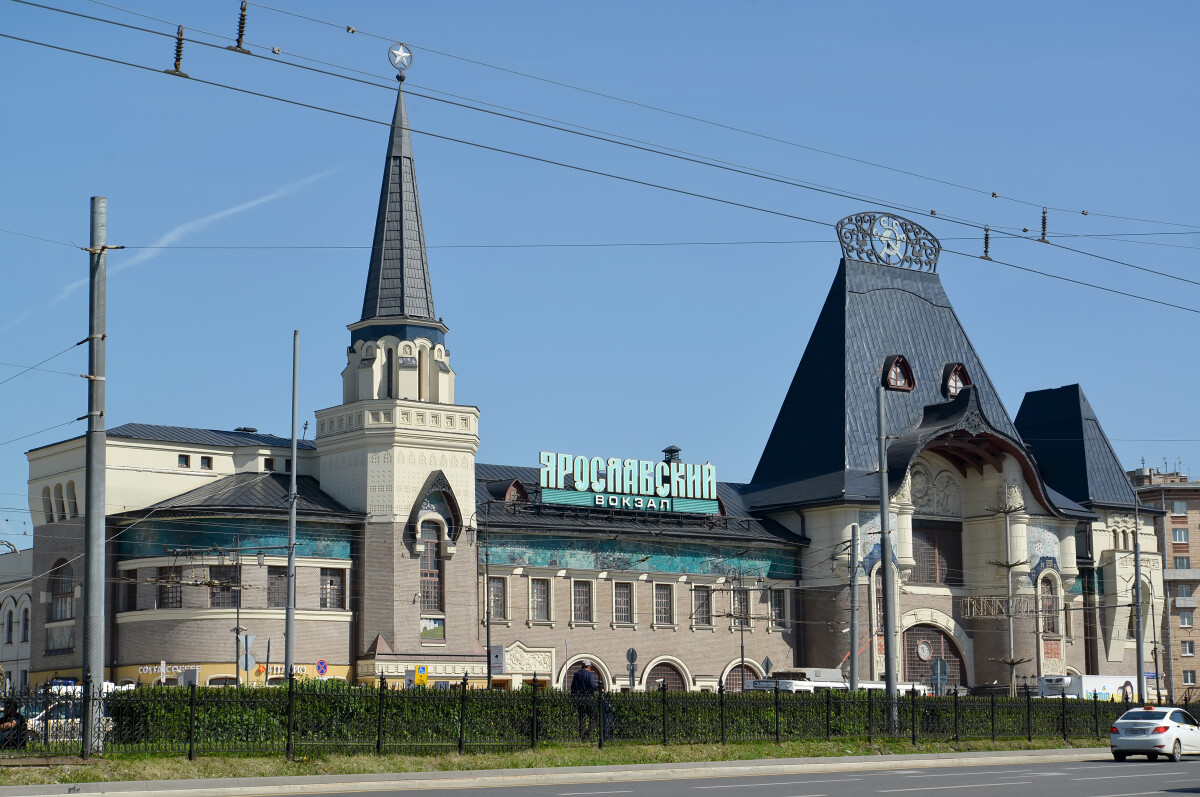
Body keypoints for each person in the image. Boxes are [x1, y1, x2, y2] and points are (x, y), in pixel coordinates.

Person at [570, 660, 598, 741]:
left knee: (582, 718)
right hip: (588, 699)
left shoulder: (576, 675)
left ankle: (582, 737)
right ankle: (587, 735)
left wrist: (574, 699)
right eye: (590, 667)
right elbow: (592, 685)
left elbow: (572, 688)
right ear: (588, 667)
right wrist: (600, 689)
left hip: (579, 699)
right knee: (594, 718)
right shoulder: (589, 674)